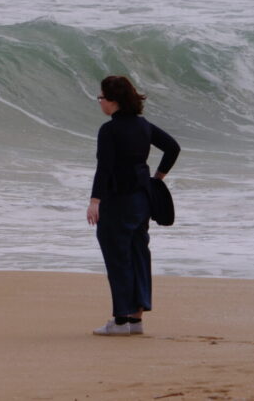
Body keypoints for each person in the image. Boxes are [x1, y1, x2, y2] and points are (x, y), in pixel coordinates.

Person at [87, 75, 179, 336]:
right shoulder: (143, 126)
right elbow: (173, 147)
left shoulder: (109, 130)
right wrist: (157, 178)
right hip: (141, 200)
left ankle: (119, 322)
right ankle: (136, 319)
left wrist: (95, 201)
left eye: (101, 97)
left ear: (113, 101)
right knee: (139, 254)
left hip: (117, 201)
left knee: (118, 258)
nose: (100, 102)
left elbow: (104, 169)